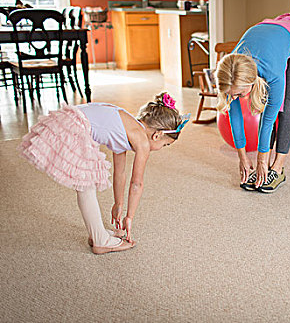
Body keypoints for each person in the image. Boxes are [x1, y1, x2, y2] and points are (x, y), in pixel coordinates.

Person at [18, 92, 189, 254]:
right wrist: (129, 217)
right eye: (165, 145)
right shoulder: (142, 141)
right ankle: (100, 240)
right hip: (75, 126)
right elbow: (137, 184)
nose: (161, 149)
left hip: (69, 120)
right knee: (86, 184)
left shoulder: (129, 127)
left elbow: (120, 173)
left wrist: (118, 204)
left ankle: (97, 233)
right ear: (157, 135)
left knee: (86, 184)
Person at [215, 13, 290, 193]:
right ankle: (266, 167)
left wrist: (261, 161)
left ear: (252, 81)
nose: (235, 97)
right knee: (264, 104)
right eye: (232, 94)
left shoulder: (271, 73)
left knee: (285, 107)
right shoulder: (230, 72)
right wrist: (242, 157)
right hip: (268, 39)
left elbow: (268, 120)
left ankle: (277, 168)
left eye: (239, 93)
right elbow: (234, 117)